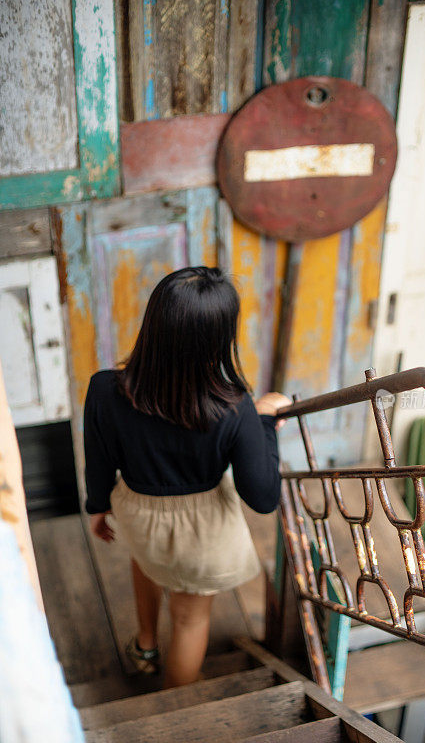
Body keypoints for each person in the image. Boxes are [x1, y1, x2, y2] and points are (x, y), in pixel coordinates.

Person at [83, 266, 290, 688]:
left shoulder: (105, 389)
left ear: (153, 323)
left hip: (138, 515)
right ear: (219, 337)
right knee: (189, 619)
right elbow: (263, 497)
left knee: (146, 562)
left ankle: (144, 646)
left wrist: (99, 505)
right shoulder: (235, 409)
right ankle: (175, 711)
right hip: (203, 531)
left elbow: (98, 457)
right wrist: (265, 423)